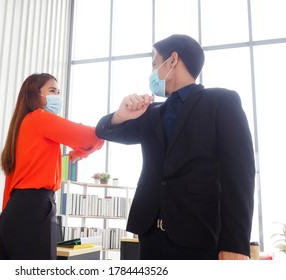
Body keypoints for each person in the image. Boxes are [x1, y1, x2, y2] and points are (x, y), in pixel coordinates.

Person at [95, 34, 255, 260]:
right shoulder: (150, 111)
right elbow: (104, 131)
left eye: (154, 63)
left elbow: (240, 174)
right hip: (149, 235)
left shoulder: (220, 101)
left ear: (172, 60)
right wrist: (121, 115)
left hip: (199, 235)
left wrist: (236, 244)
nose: (152, 72)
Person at [0, 73, 104, 260]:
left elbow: (10, 186)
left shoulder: (21, 126)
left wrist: (75, 154)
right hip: (34, 209)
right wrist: (82, 151)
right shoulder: (40, 118)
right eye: (52, 91)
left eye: (59, 91)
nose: (58, 96)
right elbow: (94, 137)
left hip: (12, 214)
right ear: (35, 95)